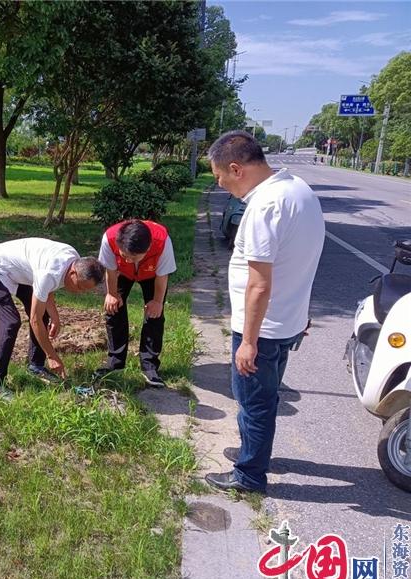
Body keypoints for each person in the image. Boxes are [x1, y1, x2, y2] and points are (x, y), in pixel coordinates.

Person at [205, 131, 325, 493]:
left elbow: (259, 283)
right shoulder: (299, 190)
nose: (222, 185)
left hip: (263, 329)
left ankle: (249, 476)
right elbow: (301, 261)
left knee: (254, 404)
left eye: (219, 176)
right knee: (265, 399)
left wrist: (249, 342)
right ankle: (255, 453)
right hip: (287, 321)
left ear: (236, 168)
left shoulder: (265, 207)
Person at [0, 238, 105, 397]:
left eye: (85, 290)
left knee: (42, 311)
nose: (80, 292)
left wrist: (55, 316)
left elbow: (50, 287)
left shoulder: (73, 259)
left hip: (21, 273)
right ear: (73, 272)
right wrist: (52, 356)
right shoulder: (49, 273)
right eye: (80, 287)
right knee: (10, 322)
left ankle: (35, 366)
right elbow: (35, 319)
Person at [93, 220, 177, 387]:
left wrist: (158, 301)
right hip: (121, 273)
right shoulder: (109, 239)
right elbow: (110, 270)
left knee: (155, 314)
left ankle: (149, 366)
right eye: (125, 255)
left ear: (148, 247)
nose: (130, 260)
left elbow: (162, 276)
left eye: (134, 257)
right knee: (113, 309)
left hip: (152, 275)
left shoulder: (162, 241)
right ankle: (115, 362)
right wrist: (112, 294)